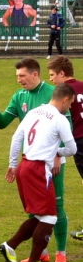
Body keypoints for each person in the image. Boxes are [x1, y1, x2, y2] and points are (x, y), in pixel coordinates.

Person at [0, 58, 71, 262]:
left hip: (53, 160)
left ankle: (61, 252)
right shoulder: (18, 96)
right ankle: (42, 253)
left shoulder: (53, 92)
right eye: (17, 76)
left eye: (22, 76)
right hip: (31, 161)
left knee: (56, 205)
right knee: (34, 210)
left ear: (35, 74)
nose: (19, 80)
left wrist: (58, 155)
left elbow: (67, 126)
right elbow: (3, 124)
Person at [0, 83, 76, 262]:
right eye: (71, 103)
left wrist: (12, 164)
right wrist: (57, 151)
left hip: (24, 166)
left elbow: (17, 137)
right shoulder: (60, 119)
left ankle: (10, 245)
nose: (70, 108)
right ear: (65, 99)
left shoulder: (34, 112)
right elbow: (72, 149)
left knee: (40, 216)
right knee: (50, 216)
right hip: (39, 169)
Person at [45, 57, 83, 241]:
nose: (51, 79)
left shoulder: (62, 93)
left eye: (53, 75)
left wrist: (58, 152)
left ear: (62, 73)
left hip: (80, 141)